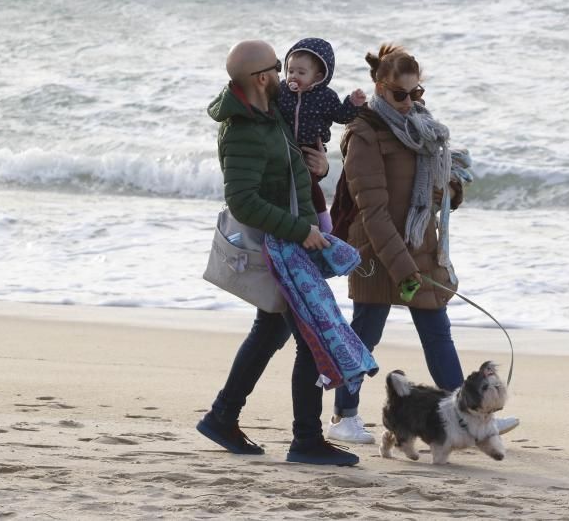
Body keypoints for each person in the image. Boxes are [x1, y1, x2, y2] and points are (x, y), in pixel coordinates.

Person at [326, 44, 519, 444]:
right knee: (364, 333)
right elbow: (374, 212)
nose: (410, 102)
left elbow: (432, 191)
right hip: (377, 251)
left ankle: (469, 420)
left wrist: (450, 191)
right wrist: (402, 267)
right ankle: (344, 416)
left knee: (436, 330)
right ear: (379, 87)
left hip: (419, 243)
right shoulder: (364, 133)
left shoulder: (422, 129)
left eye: (417, 94)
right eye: (401, 94)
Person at [196, 39, 359, 466]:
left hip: (288, 241)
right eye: (277, 67)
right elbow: (243, 201)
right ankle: (306, 440)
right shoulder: (245, 129)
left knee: (272, 330)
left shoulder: (270, 114)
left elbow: (288, 169)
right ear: (262, 77)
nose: (285, 75)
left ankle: (222, 416)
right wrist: (300, 231)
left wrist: (320, 170)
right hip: (278, 245)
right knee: (308, 338)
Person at [277, 38, 366, 233]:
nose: (293, 77)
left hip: (311, 148)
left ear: (317, 76)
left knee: (308, 184)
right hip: (287, 146)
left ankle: (324, 222)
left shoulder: (325, 96)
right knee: (287, 184)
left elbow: (341, 116)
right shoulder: (282, 91)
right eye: (290, 71)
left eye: (301, 73)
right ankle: (294, 221)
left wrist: (353, 103)